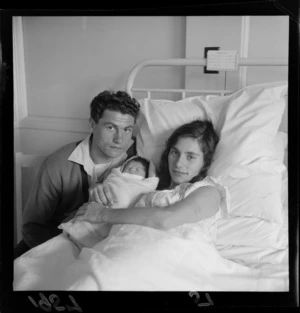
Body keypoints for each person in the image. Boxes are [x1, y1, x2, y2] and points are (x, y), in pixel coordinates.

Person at [14, 90, 140, 259]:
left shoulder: (138, 161)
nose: (119, 139)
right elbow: (32, 226)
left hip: (107, 251)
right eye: (111, 127)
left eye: (127, 130)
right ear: (92, 124)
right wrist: (66, 255)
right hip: (52, 244)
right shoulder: (58, 163)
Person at [76, 119, 223, 234]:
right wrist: (99, 189)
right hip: (119, 246)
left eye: (190, 157)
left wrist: (103, 214)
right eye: (175, 152)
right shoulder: (150, 183)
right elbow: (121, 193)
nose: (178, 163)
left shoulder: (208, 191)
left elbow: (165, 220)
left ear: (205, 162)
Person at [58, 156, 159, 248]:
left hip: (113, 220)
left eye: (138, 169)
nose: (132, 169)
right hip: (91, 211)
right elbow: (104, 187)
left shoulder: (145, 185)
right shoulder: (114, 177)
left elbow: (152, 182)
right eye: (129, 167)